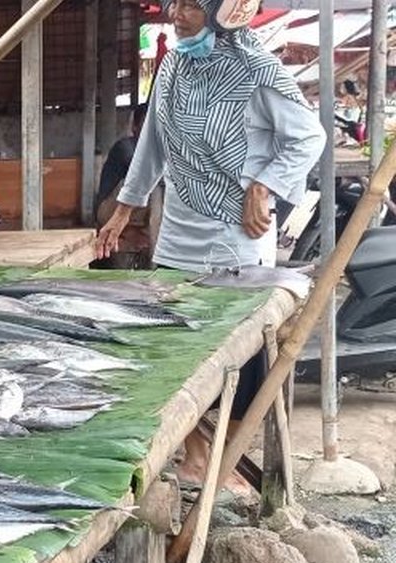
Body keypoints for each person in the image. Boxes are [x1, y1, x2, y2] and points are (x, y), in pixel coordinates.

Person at [97, 0, 326, 494]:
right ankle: (196, 456)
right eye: (175, 3)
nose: (177, 15)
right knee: (175, 347)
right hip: (177, 234)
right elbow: (153, 142)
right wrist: (124, 209)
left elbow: (309, 137)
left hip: (236, 237)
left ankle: (227, 458)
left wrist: (264, 185)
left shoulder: (258, 71)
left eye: (191, 6)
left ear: (222, 12)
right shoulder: (174, 66)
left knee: (237, 356)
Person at [92, 105, 152, 269]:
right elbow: (141, 172)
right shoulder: (125, 146)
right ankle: (133, 234)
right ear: (134, 127)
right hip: (108, 211)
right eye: (147, 125)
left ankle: (140, 234)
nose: (152, 131)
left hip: (132, 212)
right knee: (152, 180)